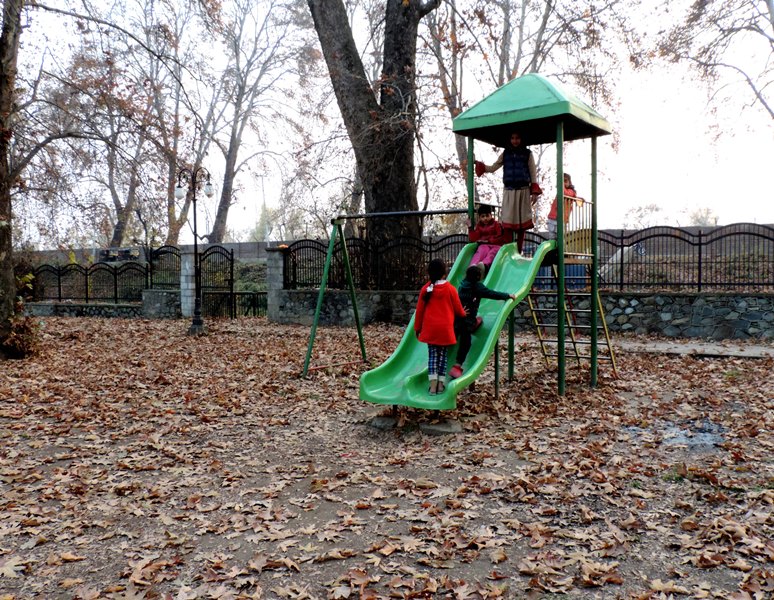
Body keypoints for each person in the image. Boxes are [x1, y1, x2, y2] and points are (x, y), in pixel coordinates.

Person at [475, 131, 542, 253]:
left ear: (522, 139)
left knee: (522, 224)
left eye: (517, 138)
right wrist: (481, 166)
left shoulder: (527, 154)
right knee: (508, 224)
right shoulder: (505, 153)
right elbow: (493, 167)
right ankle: (509, 252)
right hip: (509, 191)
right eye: (512, 138)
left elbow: (532, 173)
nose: (515, 141)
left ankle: (519, 251)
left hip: (523, 191)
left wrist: (534, 192)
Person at [449, 266, 517, 379]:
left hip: (456, 319)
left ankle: (464, 330)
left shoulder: (462, 285)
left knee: (456, 333)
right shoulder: (477, 287)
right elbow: (491, 293)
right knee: (466, 343)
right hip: (467, 321)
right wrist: (507, 295)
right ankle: (457, 365)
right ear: (477, 277)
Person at [414, 258, 467, 394]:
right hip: (445, 330)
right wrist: (464, 313)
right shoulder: (450, 289)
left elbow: (419, 311)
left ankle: (432, 386)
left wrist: (417, 328)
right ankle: (440, 385)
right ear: (445, 273)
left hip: (431, 330)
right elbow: (459, 310)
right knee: (442, 357)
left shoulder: (426, 289)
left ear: (429, 273)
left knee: (432, 357)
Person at [468, 204, 509, 273]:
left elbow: (500, 236)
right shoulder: (479, 226)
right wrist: (470, 228)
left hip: (496, 245)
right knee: (481, 251)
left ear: (491, 215)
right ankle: (473, 266)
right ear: (479, 218)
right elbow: (474, 238)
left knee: (492, 253)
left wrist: (489, 240)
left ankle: (485, 265)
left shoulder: (496, 224)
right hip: (484, 245)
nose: (485, 218)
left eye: (487, 216)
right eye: (482, 216)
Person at [547, 173, 581, 238]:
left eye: (565, 181)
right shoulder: (560, 191)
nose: (563, 183)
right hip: (552, 218)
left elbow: (565, 193)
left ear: (570, 182)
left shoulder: (571, 192)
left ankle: (560, 247)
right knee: (552, 238)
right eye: (562, 181)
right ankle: (554, 248)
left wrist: (561, 184)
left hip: (561, 220)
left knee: (560, 239)